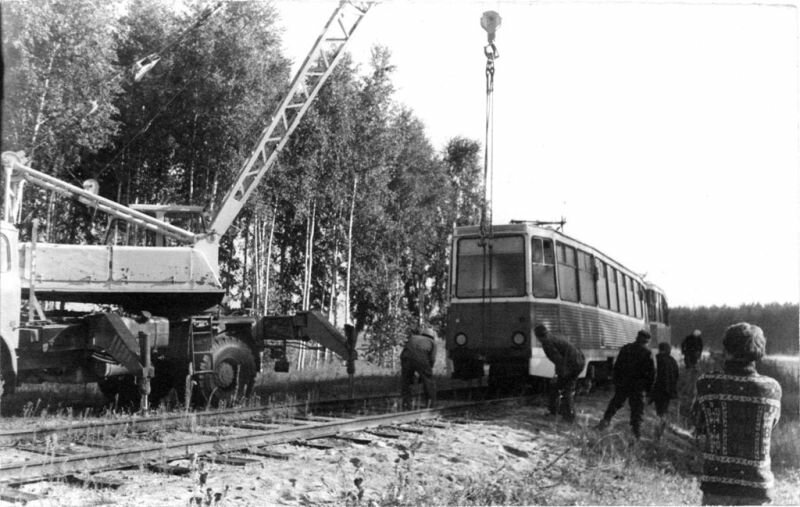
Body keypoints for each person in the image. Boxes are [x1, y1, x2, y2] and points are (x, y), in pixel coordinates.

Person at [693, 323, 781, 506]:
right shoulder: (772, 388)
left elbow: (699, 424)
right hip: (758, 486)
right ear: (760, 350)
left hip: (717, 484)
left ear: (726, 349)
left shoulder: (707, 383)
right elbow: (772, 426)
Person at [595, 329, 655, 439]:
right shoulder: (647, 353)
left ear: (637, 337)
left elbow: (617, 366)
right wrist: (649, 390)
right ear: (647, 341)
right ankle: (636, 433)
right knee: (637, 410)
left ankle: (604, 422)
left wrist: (616, 381)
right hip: (638, 386)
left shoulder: (626, 348)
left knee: (615, 403)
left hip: (623, 382)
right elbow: (651, 374)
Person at [533, 324, 586, 422]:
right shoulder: (553, 337)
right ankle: (561, 412)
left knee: (564, 388)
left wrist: (558, 375)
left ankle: (566, 416)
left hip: (572, 364)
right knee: (562, 387)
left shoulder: (547, 343)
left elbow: (559, 361)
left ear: (538, 336)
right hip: (578, 361)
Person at [400, 325, 438, 410]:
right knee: (429, 381)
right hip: (421, 359)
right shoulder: (432, 342)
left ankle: (406, 403)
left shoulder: (413, 337)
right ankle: (431, 404)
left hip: (405, 357)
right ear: (433, 336)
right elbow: (432, 359)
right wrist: (426, 373)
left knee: (406, 380)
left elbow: (407, 349)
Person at [650, 341, 679, 439]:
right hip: (668, 392)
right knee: (663, 411)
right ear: (668, 350)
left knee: (659, 412)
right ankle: (660, 432)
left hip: (658, 390)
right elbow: (676, 376)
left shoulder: (656, 359)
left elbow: (651, 374)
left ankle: (658, 434)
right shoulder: (673, 361)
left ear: (660, 349)